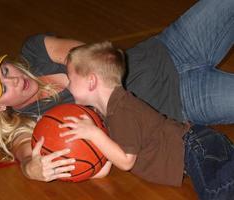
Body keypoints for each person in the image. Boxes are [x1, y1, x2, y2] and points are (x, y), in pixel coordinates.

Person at [0, 0, 233, 182]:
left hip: (171, 46)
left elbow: (93, 57)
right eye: (3, 89)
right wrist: (33, 169)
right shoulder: (31, 124)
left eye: (5, 71)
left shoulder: (34, 51)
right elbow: (26, 154)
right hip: (183, 101)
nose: (14, 80)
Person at [59, 41, 234, 200]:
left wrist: (94, 133)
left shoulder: (121, 110)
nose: (67, 86)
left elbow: (126, 161)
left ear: (91, 81)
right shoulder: (108, 111)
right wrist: (81, 171)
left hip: (193, 147)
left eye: (70, 78)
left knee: (215, 193)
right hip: (198, 144)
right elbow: (107, 158)